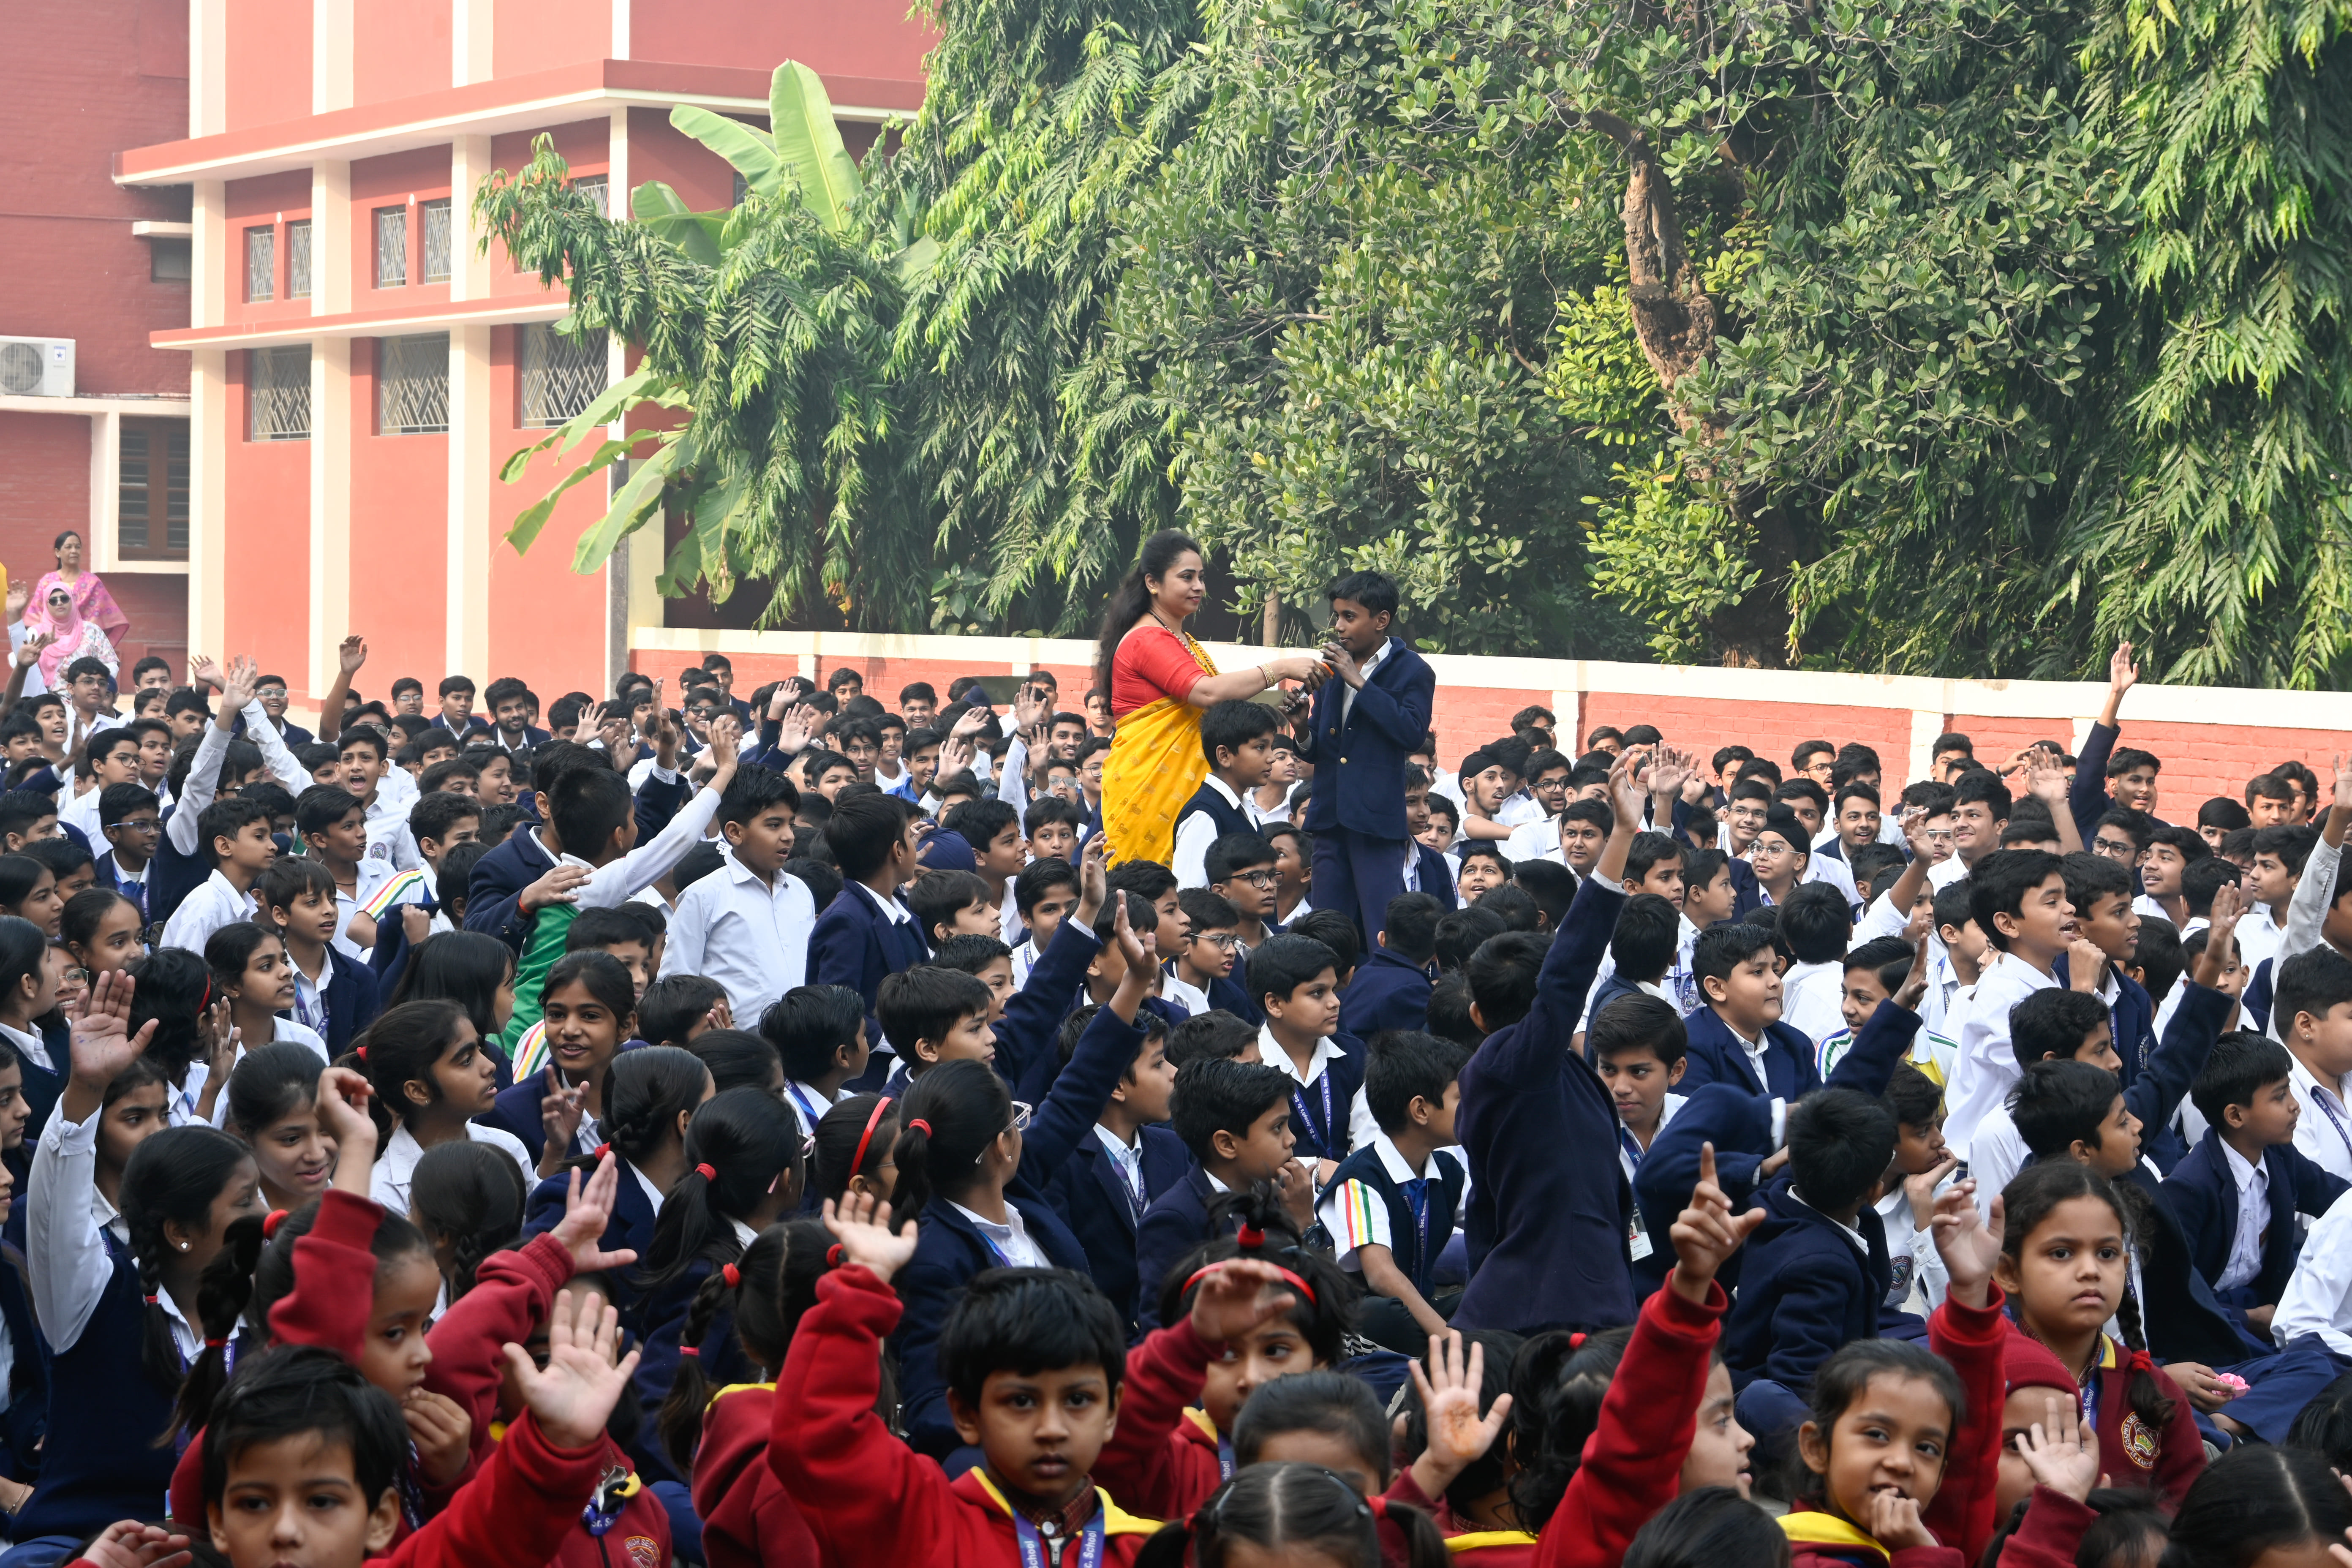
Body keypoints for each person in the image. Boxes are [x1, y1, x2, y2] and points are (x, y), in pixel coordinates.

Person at [1096, 529, 1325, 868]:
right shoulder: (1146, 638)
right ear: (1153, 583)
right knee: (1154, 887)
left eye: (1201, 577)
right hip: (1151, 789)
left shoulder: (1182, 639)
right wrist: (1281, 668)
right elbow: (1207, 692)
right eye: (1186, 577)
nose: (1199, 587)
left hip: (1188, 789)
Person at [1287, 572, 1436, 947]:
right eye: (1337, 616)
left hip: (1376, 823)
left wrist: (1359, 682)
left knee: (1380, 929)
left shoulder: (1413, 670)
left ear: (1381, 620)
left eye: (1349, 617)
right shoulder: (1331, 669)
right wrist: (1301, 728)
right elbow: (1318, 748)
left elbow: (1411, 733)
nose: (1339, 626)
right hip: (1329, 817)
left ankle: (1380, 984)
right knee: (1326, 931)